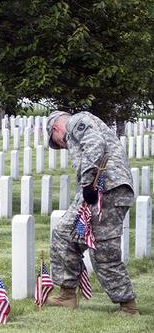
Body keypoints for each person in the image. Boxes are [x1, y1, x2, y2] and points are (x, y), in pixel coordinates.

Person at [44, 110, 138, 314]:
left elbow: (95, 144)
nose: (64, 146)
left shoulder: (78, 121)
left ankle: (127, 304)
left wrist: (87, 183)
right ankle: (67, 294)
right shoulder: (81, 124)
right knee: (65, 236)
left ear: (56, 129)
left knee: (103, 250)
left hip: (106, 190)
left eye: (59, 143)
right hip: (99, 190)